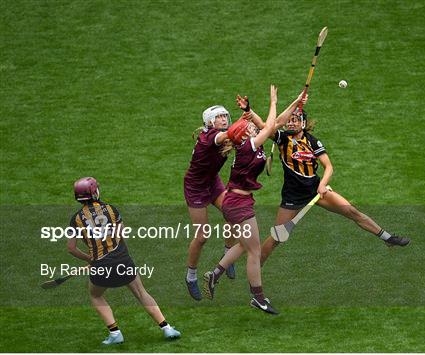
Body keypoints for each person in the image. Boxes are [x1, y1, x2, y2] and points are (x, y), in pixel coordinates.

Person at [259, 106, 411, 265]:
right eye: (288, 121)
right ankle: (256, 267)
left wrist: (322, 185)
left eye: (295, 120)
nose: (290, 124)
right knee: (277, 237)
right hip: (293, 196)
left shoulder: (312, 141)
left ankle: (388, 238)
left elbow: (329, 166)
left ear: (303, 123)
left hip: (316, 190)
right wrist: (249, 112)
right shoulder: (282, 138)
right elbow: (265, 127)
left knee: (352, 211)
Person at [202, 85, 302, 315]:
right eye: (248, 126)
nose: (251, 125)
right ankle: (258, 297)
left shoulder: (249, 143)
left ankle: (214, 275)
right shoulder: (249, 146)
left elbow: (274, 125)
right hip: (238, 205)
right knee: (254, 251)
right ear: (245, 134)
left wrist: (296, 101)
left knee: (245, 245)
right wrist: (273, 100)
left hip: (238, 203)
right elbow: (268, 125)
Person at [67, 177, 181, 345]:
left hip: (100, 266)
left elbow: (71, 248)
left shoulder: (75, 219)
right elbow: (120, 236)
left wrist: (90, 258)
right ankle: (166, 328)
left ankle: (115, 333)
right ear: (94, 192)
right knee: (142, 293)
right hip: (123, 260)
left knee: (95, 295)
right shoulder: (112, 210)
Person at [183, 105, 238, 301]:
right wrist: (246, 120)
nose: (224, 119)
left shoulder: (225, 135)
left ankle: (228, 255)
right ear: (210, 122)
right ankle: (190, 277)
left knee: (233, 214)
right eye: (219, 117)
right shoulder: (210, 137)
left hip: (212, 181)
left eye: (225, 116)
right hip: (195, 187)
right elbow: (228, 135)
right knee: (202, 236)